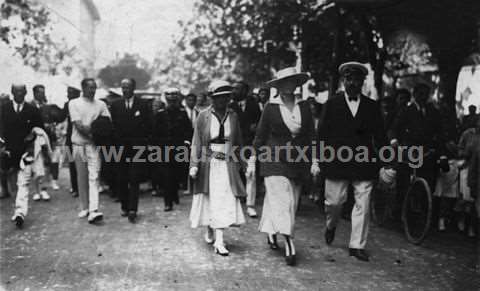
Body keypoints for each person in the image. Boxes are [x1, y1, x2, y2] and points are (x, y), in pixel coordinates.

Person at [318, 62, 387, 262]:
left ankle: (357, 245)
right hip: (336, 162)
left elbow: (380, 136)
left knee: (363, 204)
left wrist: (386, 160)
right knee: (334, 203)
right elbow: (322, 134)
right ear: (343, 81)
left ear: (362, 82)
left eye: (357, 79)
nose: (353, 83)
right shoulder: (331, 104)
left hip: (364, 163)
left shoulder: (371, 106)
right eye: (349, 79)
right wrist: (319, 159)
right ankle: (331, 225)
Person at [250, 67, 319, 266]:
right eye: (284, 82)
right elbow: (260, 136)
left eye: (292, 82)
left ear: (297, 84)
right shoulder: (270, 108)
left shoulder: (304, 107)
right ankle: (289, 242)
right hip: (273, 160)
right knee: (282, 200)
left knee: (290, 203)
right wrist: (252, 160)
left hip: (298, 161)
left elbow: (311, 135)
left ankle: (271, 231)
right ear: (278, 86)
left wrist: (315, 160)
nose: (288, 86)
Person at [189, 80, 246, 256]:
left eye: (226, 97)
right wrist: (194, 165)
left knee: (223, 200)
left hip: (227, 164)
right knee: (209, 198)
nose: (223, 101)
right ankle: (210, 228)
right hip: (209, 162)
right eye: (219, 97)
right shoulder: (203, 116)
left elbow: (238, 142)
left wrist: (242, 163)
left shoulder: (234, 116)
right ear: (212, 98)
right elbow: (196, 141)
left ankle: (220, 241)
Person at [69, 78, 111, 224]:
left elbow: (107, 124)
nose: (92, 90)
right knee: (82, 177)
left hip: (94, 146)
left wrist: (99, 136)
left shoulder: (101, 104)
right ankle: (84, 207)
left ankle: (94, 209)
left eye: (94, 87)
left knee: (95, 175)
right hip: (79, 145)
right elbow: (79, 125)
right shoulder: (74, 103)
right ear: (83, 88)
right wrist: (95, 133)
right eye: (90, 88)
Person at [109, 78, 152, 222]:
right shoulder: (115, 105)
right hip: (120, 147)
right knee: (122, 178)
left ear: (133, 88)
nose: (124, 89)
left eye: (127, 87)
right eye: (122, 87)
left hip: (137, 147)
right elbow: (113, 126)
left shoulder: (143, 104)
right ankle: (125, 206)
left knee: (134, 178)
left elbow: (149, 125)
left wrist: (145, 144)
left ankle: (133, 209)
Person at [0, 84, 44, 199]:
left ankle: (19, 210)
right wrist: (2, 144)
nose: (19, 94)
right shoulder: (4, 108)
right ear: (12, 92)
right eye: (16, 91)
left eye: (22, 91)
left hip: (26, 149)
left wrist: (32, 135)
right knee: (11, 178)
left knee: (23, 181)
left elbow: (39, 128)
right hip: (8, 149)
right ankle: (16, 200)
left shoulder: (32, 110)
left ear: (25, 92)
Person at [152, 88, 192, 211]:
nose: (172, 100)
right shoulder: (160, 113)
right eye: (169, 97)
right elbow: (155, 131)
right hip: (164, 148)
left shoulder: (182, 112)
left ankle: (174, 194)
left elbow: (188, 130)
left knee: (177, 173)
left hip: (179, 147)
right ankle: (168, 202)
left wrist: (186, 142)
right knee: (166, 175)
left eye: (174, 97)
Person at [230, 81, 261, 217]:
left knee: (251, 174)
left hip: (249, 145)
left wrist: (255, 127)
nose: (234, 91)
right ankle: (233, 201)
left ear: (245, 91)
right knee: (233, 173)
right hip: (233, 146)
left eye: (237, 88)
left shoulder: (254, 105)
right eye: (234, 88)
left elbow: (260, 123)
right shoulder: (229, 106)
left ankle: (250, 205)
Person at [10, 127, 52, 228]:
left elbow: (42, 133)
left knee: (40, 173)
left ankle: (42, 190)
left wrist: (48, 148)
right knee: (22, 183)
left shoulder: (33, 115)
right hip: (20, 152)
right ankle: (19, 212)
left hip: (35, 149)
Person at [64, 86, 81, 197]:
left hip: (81, 139)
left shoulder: (81, 104)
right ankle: (75, 188)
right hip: (70, 140)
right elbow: (60, 116)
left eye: (70, 93)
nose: (68, 95)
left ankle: (83, 187)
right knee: (72, 164)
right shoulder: (67, 105)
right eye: (67, 93)